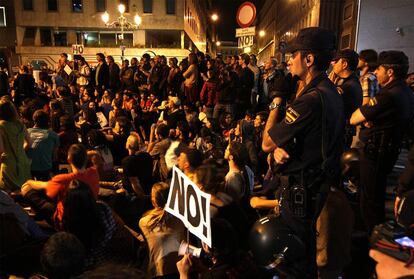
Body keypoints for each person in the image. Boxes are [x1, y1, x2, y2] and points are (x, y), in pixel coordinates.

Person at [261, 27, 345, 277]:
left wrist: (276, 101)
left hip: (301, 192)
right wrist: (281, 148)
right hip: (315, 186)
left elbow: (267, 141)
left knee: (295, 257)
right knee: (304, 249)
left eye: (293, 54)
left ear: (309, 59)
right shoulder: (330, 91)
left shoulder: (309, 100)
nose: (288, 60)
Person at [350, 50, 413, 232]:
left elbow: (355, 118)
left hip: (376, 153)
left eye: (379, 69)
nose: (376, 72)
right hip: (388, 151)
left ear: (390, 72)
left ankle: (373, 240)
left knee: (370, 201)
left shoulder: (388, 95)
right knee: (375, 196)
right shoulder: (405, 91)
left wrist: (367, 117)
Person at [21, 144, 99, 227]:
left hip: (65, 222)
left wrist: (29, 181)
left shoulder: (63, 179)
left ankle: (41, 219)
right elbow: (96, 157)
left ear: (69, 159)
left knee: (26, 189)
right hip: (88, 216)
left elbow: (43, 185)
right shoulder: (94, 172)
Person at [139, 182, 186, 278]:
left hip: (159, 271)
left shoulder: (144, 223)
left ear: (153, 201)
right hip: (181, 267)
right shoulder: (182, 218)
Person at [330, 49, 363, 149]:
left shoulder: (349, 86)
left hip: (342, 133)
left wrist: (329, 86)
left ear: (344, 64)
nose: (333, 64)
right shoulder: (350, 81)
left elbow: (329, 104)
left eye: (336, 61)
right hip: (342, 131)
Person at [0, 98, 32, 192]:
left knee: (7, 195)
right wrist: (19, 152)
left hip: (8, 164)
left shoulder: (1, 126)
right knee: (23, 192)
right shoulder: (20, 124)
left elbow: (1, 149)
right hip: (23, 161)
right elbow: (29, 143)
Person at [27, 110, 60, 181]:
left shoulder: (26, 132)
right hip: (45, 168)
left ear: (34, 120)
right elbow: (54, 157)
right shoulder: (53, 135)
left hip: (28, 168)